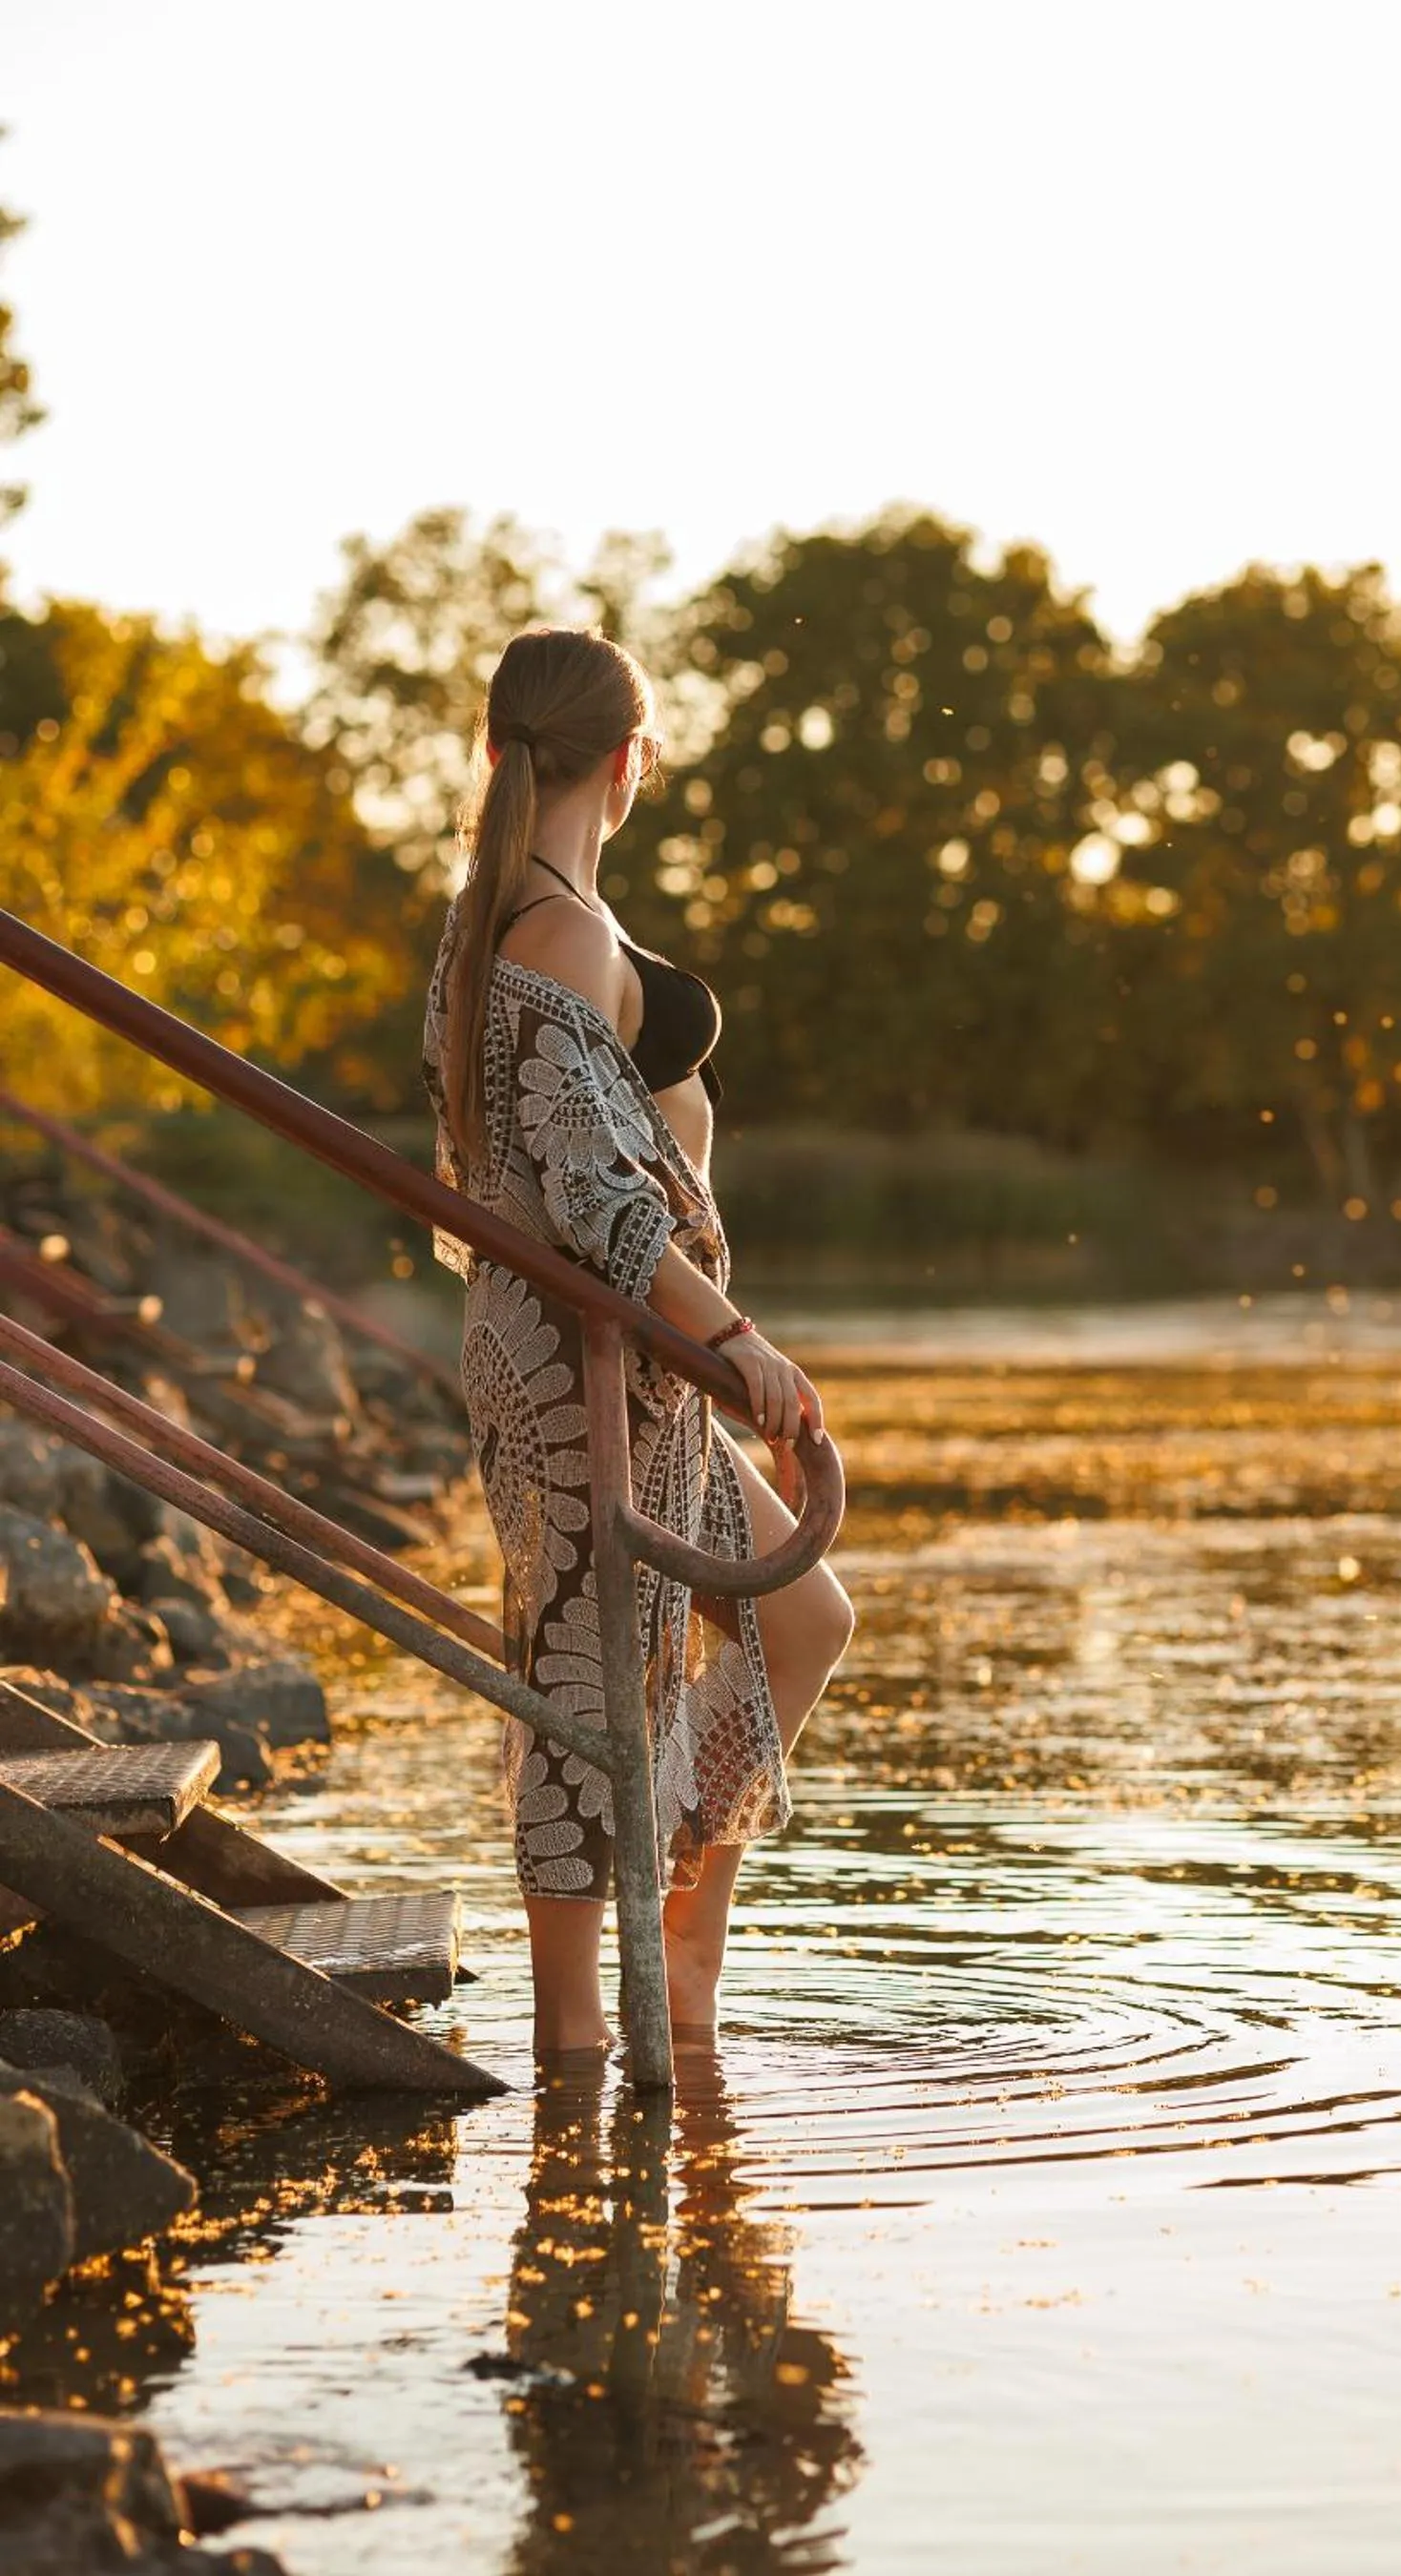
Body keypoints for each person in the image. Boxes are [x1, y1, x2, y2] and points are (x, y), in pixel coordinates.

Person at [422, 624, 854, 2059]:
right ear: (630, 760)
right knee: (582, 1681)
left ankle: (687, 1939)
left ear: (498, 752)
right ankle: (575, 2047)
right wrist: (742, 1342)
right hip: (584, 1367)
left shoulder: (513, 913)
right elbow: (596, 1199)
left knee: (802, 1617)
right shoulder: (561, 932)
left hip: (620, 1369)